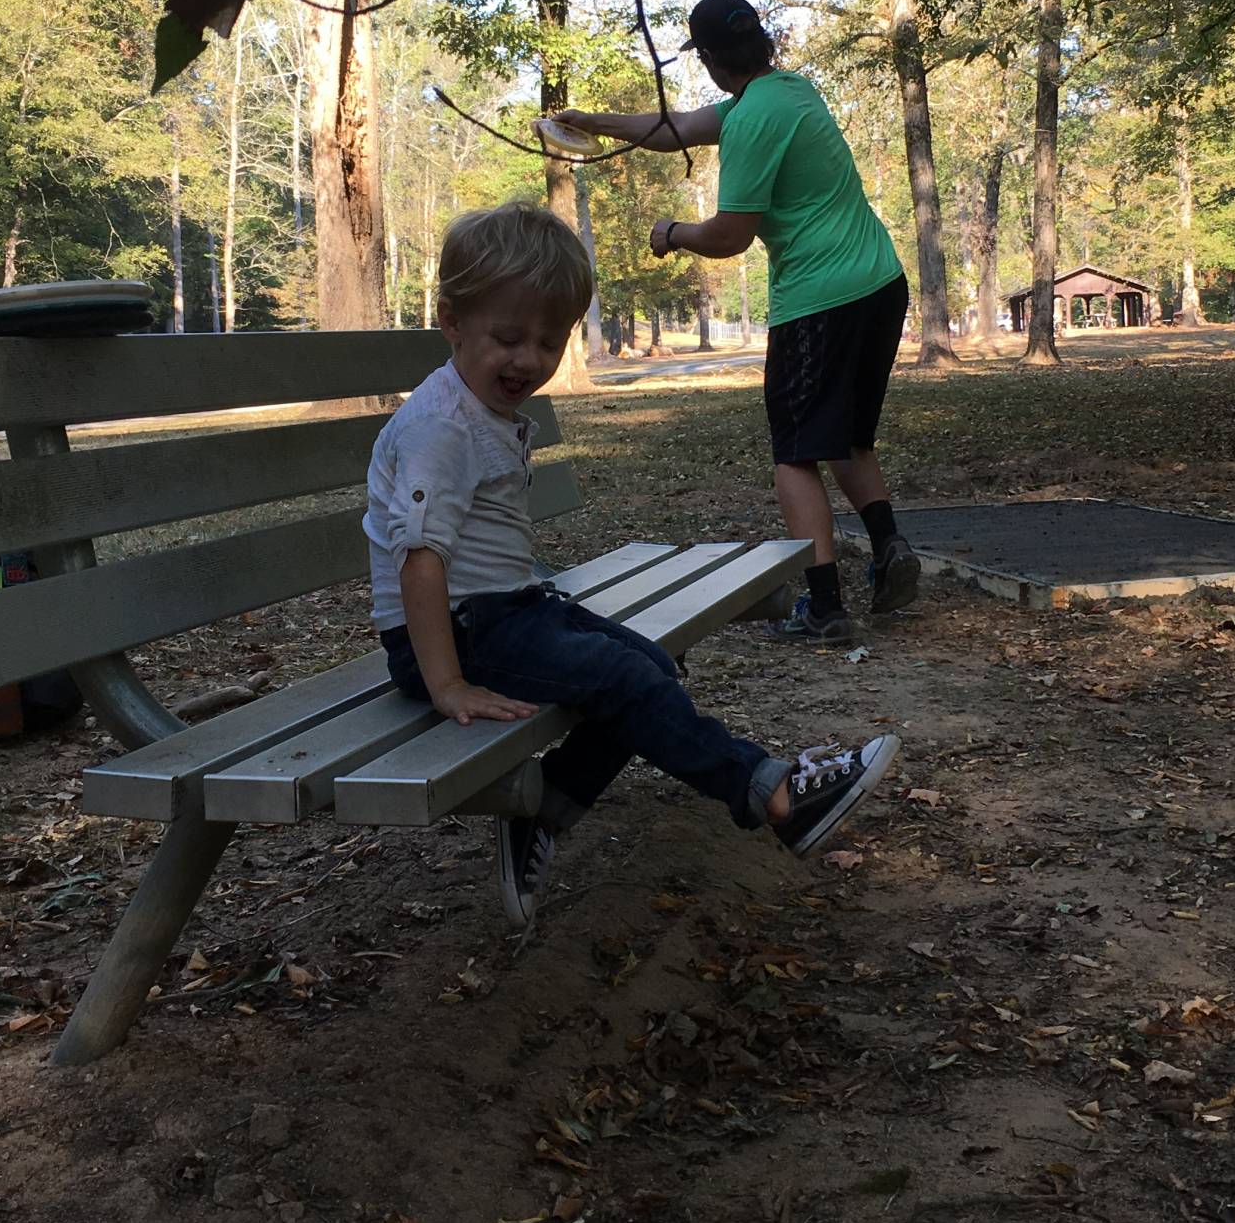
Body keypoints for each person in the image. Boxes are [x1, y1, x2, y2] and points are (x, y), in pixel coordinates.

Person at [363, 200, 900, 927]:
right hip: (451, 636)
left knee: (649, 663)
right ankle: (774, 795)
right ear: (453, 320)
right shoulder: (439, 429)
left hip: (502, 611)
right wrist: (448, 685)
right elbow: (420, 563)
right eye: (508, 338)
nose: (528, 360)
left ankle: (545, 808)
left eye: (549, 343)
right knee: (622, 680)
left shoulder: (473, 406)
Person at [565, 0, 918, 643]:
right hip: (880, 283)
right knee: (846, 437)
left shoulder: (753, 119)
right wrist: (595, 122)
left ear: (706, 59)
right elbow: (676, 129)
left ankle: (824, 608)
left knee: (794, 454)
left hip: (820, 300)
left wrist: (672, 232)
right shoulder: (790, 92)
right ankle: (889, 546)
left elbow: (730, 235)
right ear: (761, 43)